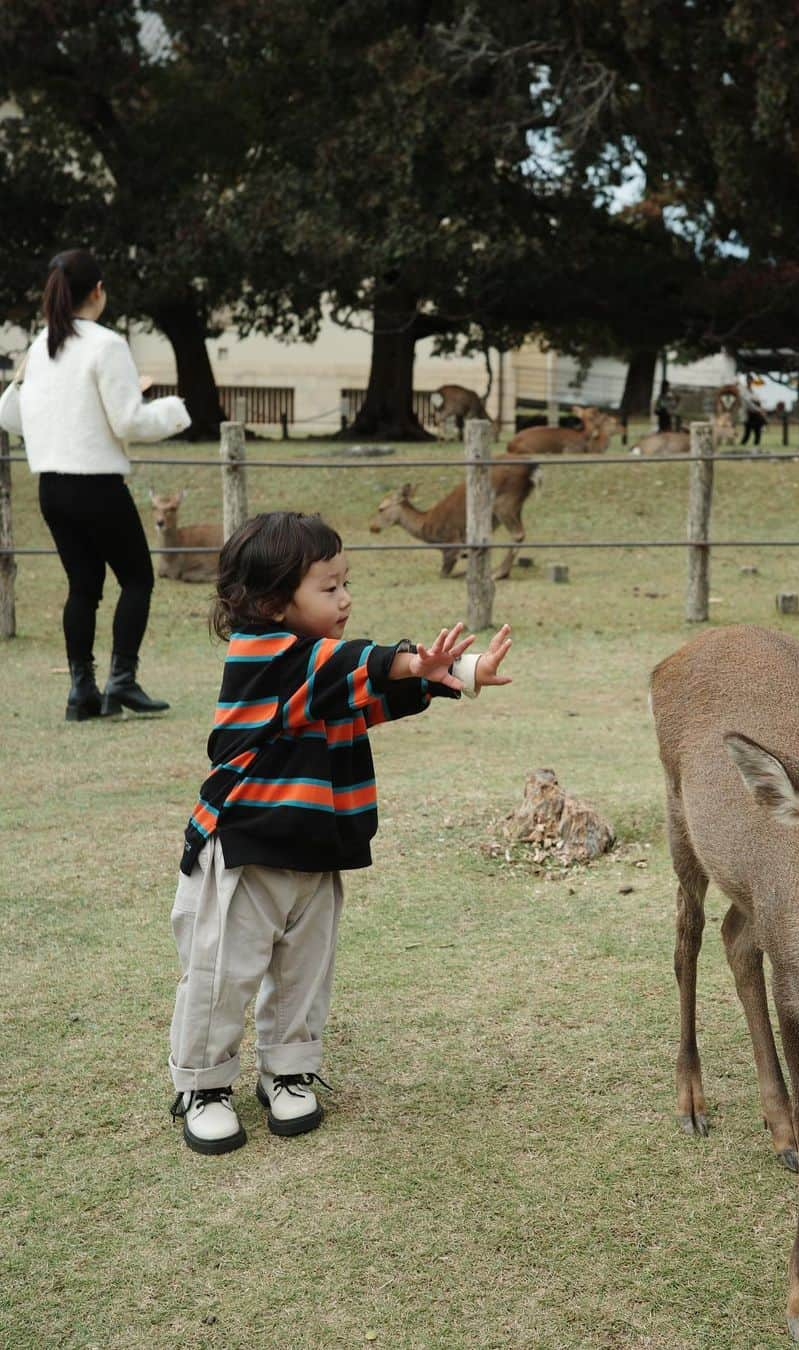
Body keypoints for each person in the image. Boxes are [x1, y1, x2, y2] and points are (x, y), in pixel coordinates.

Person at [168, 510, 514, 1154]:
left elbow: (367, 692)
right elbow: (347, 667)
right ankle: (203, 1084)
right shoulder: (262, 654)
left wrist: (455, 675)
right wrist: (412, 661)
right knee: (222, 973)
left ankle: (289, 1070)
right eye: (329, 588)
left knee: (305, 971)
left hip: (316, 852)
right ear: (272, 601)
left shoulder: (324, 671)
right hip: (247, 848)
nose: (346, 598)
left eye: (345, 582)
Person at [0, 249, 190, 720]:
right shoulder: (107, 345)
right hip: (97, 485)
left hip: (51, 488)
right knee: (138, 578)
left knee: (83, 586)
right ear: (98, 291)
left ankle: (80, 690)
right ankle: (122, 679)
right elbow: (129, 421)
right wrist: (173, 409)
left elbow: (9, 414)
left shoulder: (41, 348)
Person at [738, 380, 767, 448]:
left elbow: (756, 400)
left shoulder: (752, 391)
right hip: (749, 415)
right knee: (748, 432)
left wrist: (759, 408)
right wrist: (759, 409)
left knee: (757, 432)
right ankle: (743, 445)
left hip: (755, 415)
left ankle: (755, 445)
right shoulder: (744, 392)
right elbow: (749, 404)